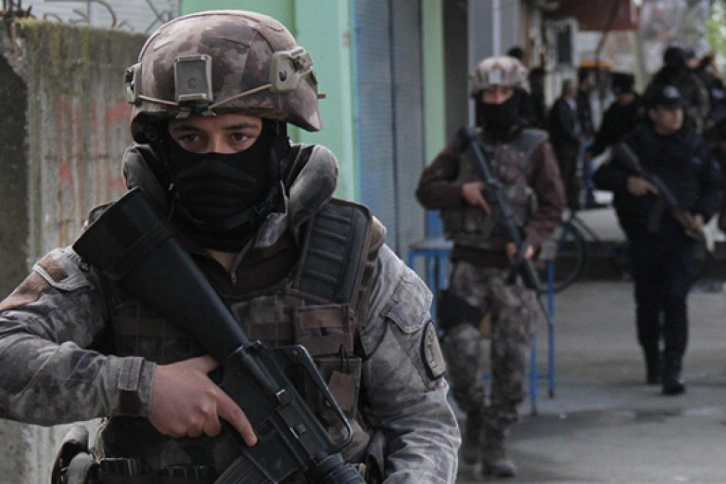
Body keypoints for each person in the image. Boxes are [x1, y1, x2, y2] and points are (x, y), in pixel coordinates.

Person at [0, 10, 460, 484]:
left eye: (239, 135)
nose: (215, 157)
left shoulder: (350, 257)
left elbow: (422, 423)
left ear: (277, 139)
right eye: (190, 137)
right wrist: (142, 387)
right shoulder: (119, 254)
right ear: (162, 147)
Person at [416, 56, 564, 478]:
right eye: (488, 95)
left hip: (513, 269)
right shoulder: (465, 145)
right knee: (457, 352)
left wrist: (531, 240)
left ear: (518, 96)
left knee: (511, 361)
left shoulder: (536, 146)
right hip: (469, 265)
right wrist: (463, 191)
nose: (496, 101)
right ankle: (476, 415)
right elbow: (426, 189)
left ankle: (496, 438)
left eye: (504, 93)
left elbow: (553, 205)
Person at [593, 84, 722, 396]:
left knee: (676, 299)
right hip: (645, 236)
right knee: (648, 301)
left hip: (681, 235)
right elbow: (601, 176)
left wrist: (701, 215)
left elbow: (715, 185)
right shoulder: (636, 143)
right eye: (668, 110)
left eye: (678, 110)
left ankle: (672, 366)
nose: (675, 116)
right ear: (653, 113)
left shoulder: (694, 145)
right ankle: (653, 358)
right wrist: (628, 182)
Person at [647, 45, 710, 133]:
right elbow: (649, 100)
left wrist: (686, 113)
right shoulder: (660, 78)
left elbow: (703, 104)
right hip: (662, 126)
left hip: (688, 126)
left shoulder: (691, 79)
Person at [585, 72, 645, 161]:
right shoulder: (613, 111)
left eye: (622, 95)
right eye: (617, 95)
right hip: (621, 156)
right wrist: (592, 151)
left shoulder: (643, 108)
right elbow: (604, 136)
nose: (619, 98)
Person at [549, 78, 585, 210]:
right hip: (564, 147)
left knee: (573, 174)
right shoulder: (560, 106)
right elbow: (563, 126)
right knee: (564, 173)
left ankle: (573, 200)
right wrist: (575, 138)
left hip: (573, 146)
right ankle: (562, 200)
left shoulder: (573, 104)